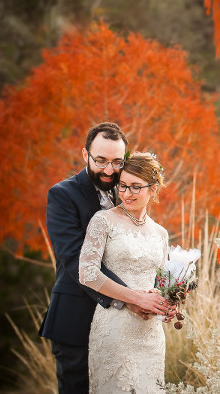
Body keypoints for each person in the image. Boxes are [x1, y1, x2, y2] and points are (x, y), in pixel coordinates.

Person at [39, 122, 154, 393]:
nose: (109, 170)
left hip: (121, 326)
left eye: (117, 162)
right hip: (76, 318)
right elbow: (75, 259)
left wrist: (159, 296)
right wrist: (131, 298)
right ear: (85, 155)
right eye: (100, 161)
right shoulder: (62, 195)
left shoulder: (127, 192)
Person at [78, 151, 171, 393]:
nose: (127, 194)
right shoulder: (103, 220)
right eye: (123, 186)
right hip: (114, 328)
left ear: (154, 188)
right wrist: (136, 298)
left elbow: (163, 281)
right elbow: (87, 272)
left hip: (150, 333)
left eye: (135, 187)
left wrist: (169, 305)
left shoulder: (161, 233)